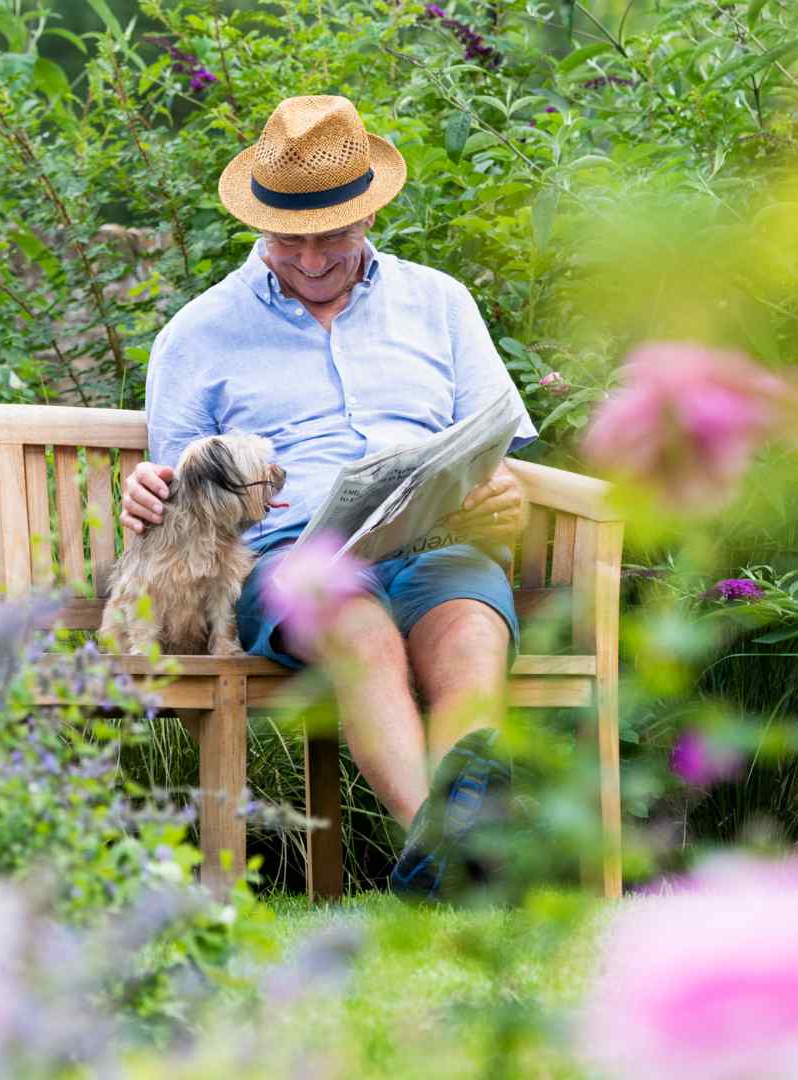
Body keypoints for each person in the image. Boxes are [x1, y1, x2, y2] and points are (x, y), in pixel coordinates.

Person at [118, 95, 540, 898]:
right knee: (360, 632)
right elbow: (179, 498)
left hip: (433, 538)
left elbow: (494, 453)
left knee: (471, 638)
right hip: (289, 557)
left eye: (333, 238)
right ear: (260, 224)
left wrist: (502, 497)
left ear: (370, 212)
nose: (312, 261)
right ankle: (455, 865)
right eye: (290, 241)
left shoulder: (439, 303)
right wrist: (147, 492)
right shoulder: (198, 334)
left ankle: (445, 861)